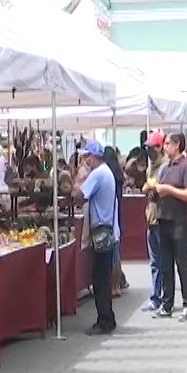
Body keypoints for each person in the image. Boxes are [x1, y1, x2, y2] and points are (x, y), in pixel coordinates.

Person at [73, 140, 118, 336]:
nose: (85, 160)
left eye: (86, 157)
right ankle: (108, 317)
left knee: (100, 278)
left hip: (101, 230)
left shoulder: (98, 174)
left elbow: (79, 195)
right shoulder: (106, 171)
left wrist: (75, 181)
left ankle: (104, 320)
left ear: (93, 156)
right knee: (103, 276)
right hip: (107, 229)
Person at [149, 133, 187, 322]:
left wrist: (168, 190)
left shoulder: (186, 167)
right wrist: (152, 190)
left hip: (179, 223)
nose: (164, 147)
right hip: (163, 220)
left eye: (167, 144)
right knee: (165, 264)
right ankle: (167, 304)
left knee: (182, 264)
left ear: (177, 145)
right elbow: (158, 191)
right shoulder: (164, 168)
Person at [140, 131, 166, 311]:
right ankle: (156, 296)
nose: (149, 151)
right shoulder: (151, 167)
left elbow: (159, 190)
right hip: (151, 218)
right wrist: (149, 187)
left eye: (151, 147)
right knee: (154, 261)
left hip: (162, 219)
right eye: (147, 148)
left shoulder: (165, 166)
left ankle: (164, 296)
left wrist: (152, 187)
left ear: (159, 147)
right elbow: (146, 188)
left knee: (162, 261)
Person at [103, 146, 125, 297]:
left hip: (109, 213)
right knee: (117, 253)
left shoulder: (107, 175)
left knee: (112, 254)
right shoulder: (118, 174)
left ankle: (112, 286)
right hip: (118, 211)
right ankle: (117, 285)